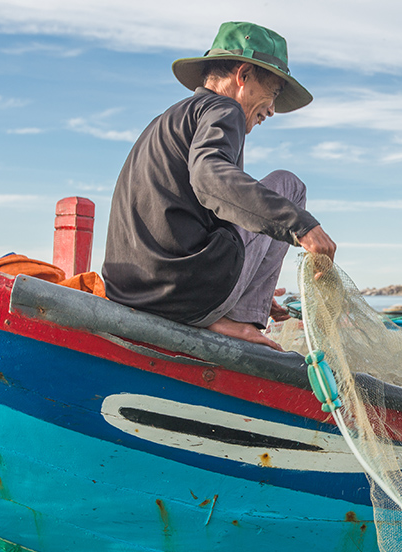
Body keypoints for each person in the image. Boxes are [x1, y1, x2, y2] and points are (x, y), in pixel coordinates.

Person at [102, 21, 336, 351]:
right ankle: (241, 321)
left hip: (135, 289)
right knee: (289, 185)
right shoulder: (225, 109)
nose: (271, 109)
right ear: (243, 76)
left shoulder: (171, 118)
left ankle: (234, 308)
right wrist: (302, 226)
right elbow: (210, 178)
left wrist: (249, 278)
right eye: (274, 93)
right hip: (180, 293)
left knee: (244, 205)